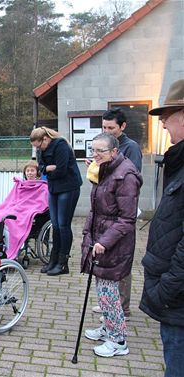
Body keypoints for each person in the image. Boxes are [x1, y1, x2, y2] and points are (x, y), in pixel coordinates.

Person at [81, 132, 142, 358]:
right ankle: (108, 327)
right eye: (93, 150)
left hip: (114, 243)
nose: (95, 155)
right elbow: (98, 206)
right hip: (100, 239)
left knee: (108, 292)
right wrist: (89, 233)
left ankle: (118, 340)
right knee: (103, 289)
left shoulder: (126, 175)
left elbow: (127, 219)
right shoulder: (104, 169)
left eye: (100, 151)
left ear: (114, 151)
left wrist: (104, 242)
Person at [140, 79, 184, 377]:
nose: (164, 125)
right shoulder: (178, 162)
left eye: (167, 116)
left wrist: (164, 289)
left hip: (176, 299)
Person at [91, 108, 143, 319]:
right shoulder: (103, 149)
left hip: (121, 213)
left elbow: (130, 180)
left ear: (122, 127)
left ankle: (122, 306)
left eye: (111, 127)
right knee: (108, 264)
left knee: (121, 261)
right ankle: (110, 302)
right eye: (104, 127)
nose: (107, 131)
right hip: (107, 215)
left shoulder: (131, 148)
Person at [30, 126, 82, 275]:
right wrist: (47, 169)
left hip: (68, 188)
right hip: (53, 189)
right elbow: (40, 168)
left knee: (63, 225)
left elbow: (61, 170)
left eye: (39, 145)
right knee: (55, 225)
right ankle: (53, 259)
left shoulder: (61, 145)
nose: (38, 149)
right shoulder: (41, 149)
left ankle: (62, 262)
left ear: (45, 139)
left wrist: (48, 170)